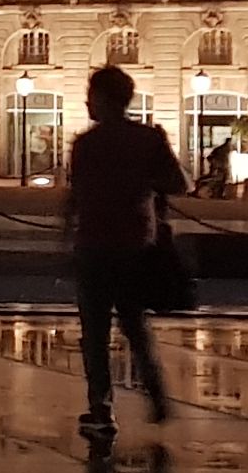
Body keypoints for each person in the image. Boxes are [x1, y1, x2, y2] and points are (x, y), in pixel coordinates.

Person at [62, 64, 189, 431]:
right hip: (136, 243)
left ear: (102, 100)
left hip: (94, 245)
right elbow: (180, 184)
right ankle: (157, 395)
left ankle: (101, 406)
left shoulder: (86, 144)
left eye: (90, 96)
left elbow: (77, 196)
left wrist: (65, 232)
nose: (87, 102)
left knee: (95, 333)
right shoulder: (148, 139)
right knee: (135, 326)